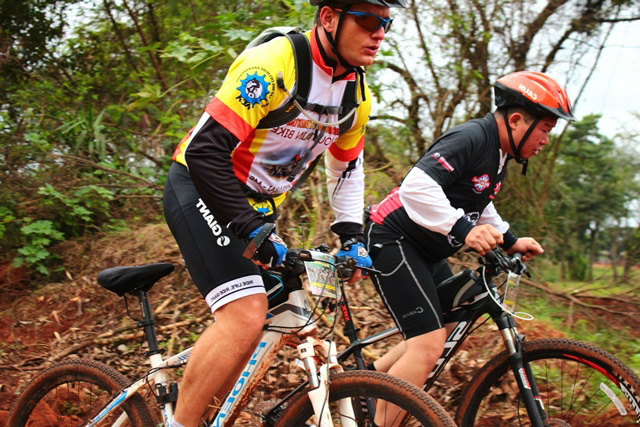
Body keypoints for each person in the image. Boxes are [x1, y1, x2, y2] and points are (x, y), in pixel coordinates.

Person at [162, 1, 406, 426]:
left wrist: (352, 236)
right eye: (368, 20)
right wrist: (250, 227)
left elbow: (347, 168)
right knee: (244, 314)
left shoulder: (356, 94)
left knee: (268, 318)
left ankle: (206, 416)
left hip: (255, 207)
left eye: (386, 23)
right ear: (329, 18)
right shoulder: (275, 62)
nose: (380, 33)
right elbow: (204, 151)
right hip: (201, 185)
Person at [364, 71, 575, 397]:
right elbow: (416, 187)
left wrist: (510, 239)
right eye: (545, 129)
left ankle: (365, 383)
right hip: (393, 236)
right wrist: (465, 231)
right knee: (428, 344)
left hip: (426, 249)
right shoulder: (473, 137)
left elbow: (477, 204)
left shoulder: (499, 152)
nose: (546, 140)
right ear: (517, 120)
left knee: (447, 326)